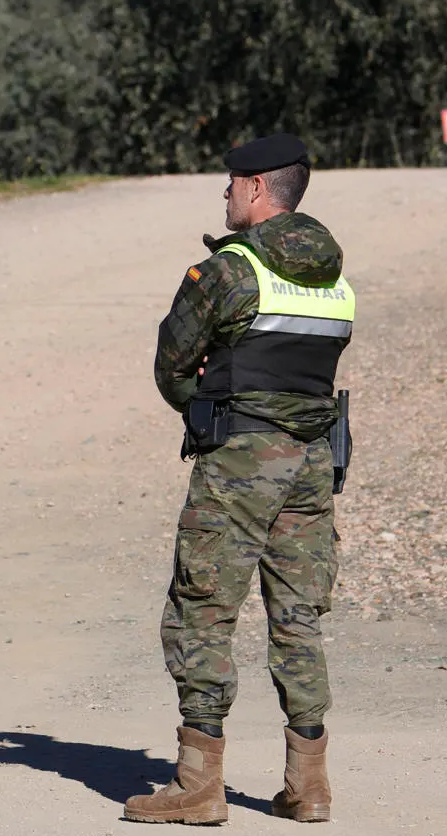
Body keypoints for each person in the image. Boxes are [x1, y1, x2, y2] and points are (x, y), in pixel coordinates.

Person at [124, 133, 354, 826]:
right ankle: (307, 785)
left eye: (230, 183)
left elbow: (172, 363)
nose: (224, 194)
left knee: (202, 609)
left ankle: (198, 785)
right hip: (313, 463)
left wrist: (202, 401)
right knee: (298, 616)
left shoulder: (229, 272)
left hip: (239, 462)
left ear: (257, 189)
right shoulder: (336, 279)